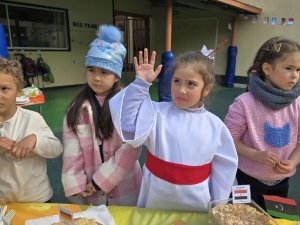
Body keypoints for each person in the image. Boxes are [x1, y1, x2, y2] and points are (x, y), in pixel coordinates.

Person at [109, 49, 238, 211]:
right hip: (156, 194)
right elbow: (128, 126)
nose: (181, 89)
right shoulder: (155, 112)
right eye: (176, 81)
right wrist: (140, 85)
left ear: (206, 89)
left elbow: (224, 169)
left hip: (196, 200)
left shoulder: (215, 126)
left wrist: (219, 204)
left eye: (191, 84)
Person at [61, 25, 142, 206]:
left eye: (104, 72)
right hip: (89, 189)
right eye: (91, 70)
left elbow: (131, 148)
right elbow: (71, 153)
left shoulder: (126, 105)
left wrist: (100, 181)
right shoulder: (76, 109)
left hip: (125, 186)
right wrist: (76, 183)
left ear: (116, 76)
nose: (96, 78)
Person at [224, 36, 300, 209]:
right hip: (244, 180)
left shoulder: (298, 104)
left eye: (298, 69)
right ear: (267, 68)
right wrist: (255, 155)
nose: (295, 75)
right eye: (288, 68)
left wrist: (294, 162)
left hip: (281, 183)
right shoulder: (244, 103)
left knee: (279, 222)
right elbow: (229, 139)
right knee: (241, 219)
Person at [0, 57, 63, 203]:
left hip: (37, 199)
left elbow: (56, 148)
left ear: (19, 92)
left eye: (4, 89)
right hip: (3, 202)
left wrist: (35, 140)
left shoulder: (32, 119)